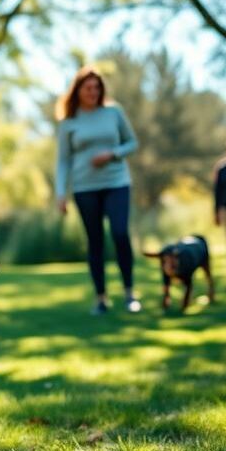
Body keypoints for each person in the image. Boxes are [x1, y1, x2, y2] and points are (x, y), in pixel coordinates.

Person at [55, 65, 140, 314]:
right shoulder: (68, 122)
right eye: (88, 87)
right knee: (95, 242)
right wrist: (61, 193)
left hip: (117, 182)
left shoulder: (113, 112)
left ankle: (129, 293)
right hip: (85, 187)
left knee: (120, 233)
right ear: (78, 90)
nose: (93, 92)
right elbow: (63, 161)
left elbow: (132, 142)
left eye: (97, 87)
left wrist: (112, 154)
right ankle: (101, 298)